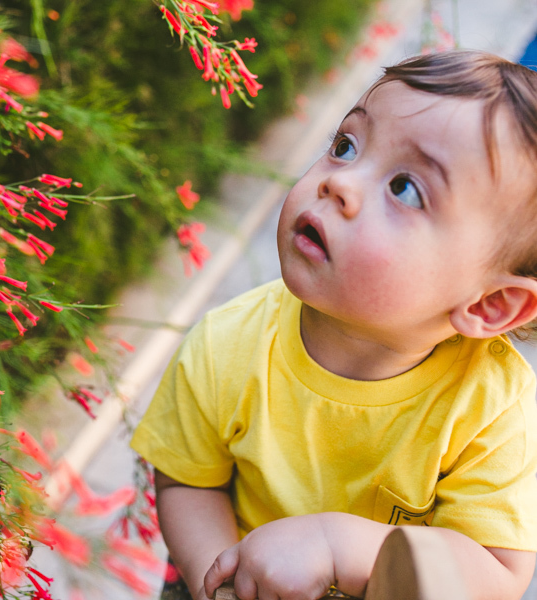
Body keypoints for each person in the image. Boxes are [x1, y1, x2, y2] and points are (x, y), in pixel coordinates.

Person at [130, 50, 537, 600]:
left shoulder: (492, 407)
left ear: (490, 305)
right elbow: (187, 480)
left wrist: (342, 545)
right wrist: (221, 579)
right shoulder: (227, 344)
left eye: (405, 189)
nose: (337, 185)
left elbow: (496, 574)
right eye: (346, 147)